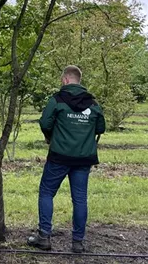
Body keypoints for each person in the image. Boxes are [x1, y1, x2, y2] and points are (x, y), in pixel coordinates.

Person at [27, 65, 105, 254]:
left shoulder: (57, 100)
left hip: (59, 157)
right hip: (84, 159)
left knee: (46, 192)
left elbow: (45, 122)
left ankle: (44, 236)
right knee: (79, 199)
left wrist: (51, 135)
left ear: (65, 80)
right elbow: (101, 128)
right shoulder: (93, 104)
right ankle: (78, 242)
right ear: (79, 80)